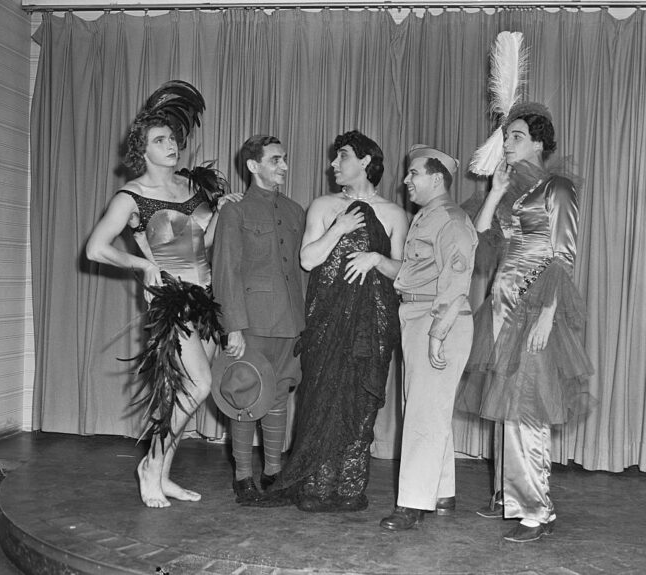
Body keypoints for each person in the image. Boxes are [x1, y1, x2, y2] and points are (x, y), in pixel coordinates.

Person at [86, 81, 240, 508]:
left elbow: (200, 247)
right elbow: (96, 248)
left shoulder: (192, 189)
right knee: (200, 384)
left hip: (205, 299)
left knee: (180, 393)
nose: (170, 144)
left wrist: (220, 215)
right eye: (159, 140)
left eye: (172, 138)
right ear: (142, 150)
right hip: (169, 301)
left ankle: (164, 472)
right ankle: (150, 466)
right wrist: (143, 265)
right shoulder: (132, 196)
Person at [246, 130, 408, 512]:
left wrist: (376, 260)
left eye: (343, 157)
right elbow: (307, 260)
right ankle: (316, 486)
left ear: (366, 161)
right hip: (326, 320)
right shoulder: (322, 205)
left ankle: (350, 486)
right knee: (320, 397)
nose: (333, 164)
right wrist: (339, 229)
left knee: (361, 403)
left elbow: (402, 271)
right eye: (335, 158)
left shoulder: (394, 213)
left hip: (374, 324)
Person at [457, 102, 593, 542]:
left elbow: (563, 255)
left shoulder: (558, 189)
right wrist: (494, 192)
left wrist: (549, 316)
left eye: (515, 136)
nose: (507, 143)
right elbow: (478, 238)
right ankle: (507, 496)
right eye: (506, 136)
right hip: (500, 307)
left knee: (527, 406)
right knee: (506, 404)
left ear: (539, 142)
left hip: (535, 306)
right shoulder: (511, 189)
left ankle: (537, 509)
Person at [379, 145, 478, 531]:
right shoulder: (427, 218)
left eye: (414, 173)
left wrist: (438, 332)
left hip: (439, 319)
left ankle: (412, 505)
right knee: (428, 408)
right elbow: (414, 272)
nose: (407, 180)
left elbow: (457, 282)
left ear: (436, 178)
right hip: (418, 315)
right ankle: (441, 492)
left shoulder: (451, 219)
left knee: (421, 413)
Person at [211, 135, 306, 504]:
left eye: (284, 159)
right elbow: (226, 271)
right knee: (245, 393)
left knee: (279, 392)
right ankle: (242, 476)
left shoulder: (296, 211)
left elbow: (301, 272)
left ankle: (273, 471)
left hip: (289, 320)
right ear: (253, 166)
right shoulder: (234, 211)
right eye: (275, 160)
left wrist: (305, 321)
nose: (283, 166)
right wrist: (232, 325)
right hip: (251, 321)